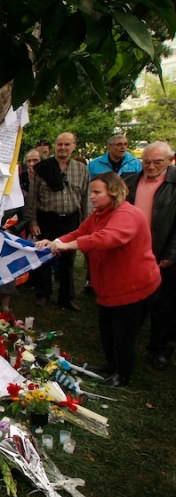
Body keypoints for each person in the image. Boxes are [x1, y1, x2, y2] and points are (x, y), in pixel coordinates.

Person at [36, 172, 160, 387]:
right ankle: (112, 366)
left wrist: (68, 246)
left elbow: (107, 238)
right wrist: (55, 241)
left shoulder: (127, 214)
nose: (91, 197)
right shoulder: (99, 214)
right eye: (91, 192)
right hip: (110, 287)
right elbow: (79, 232)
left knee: (124, 334)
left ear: (113, 192)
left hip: (133, 286)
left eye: (96, 192)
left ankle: (122, 374)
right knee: (107, 330)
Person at [122, 141, 176, 370]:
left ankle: (160, 348)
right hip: (133, 251)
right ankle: (126, 344)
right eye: (146, 162)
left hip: (163, 251)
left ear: (170, 161)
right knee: (133, 301)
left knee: (164, 304)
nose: (151, 166)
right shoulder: (131, 181)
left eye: (157, 162)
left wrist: (172, 253)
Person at [28, 132, 89, 311]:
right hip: (46, 219)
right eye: (60, 144)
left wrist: (86, 222)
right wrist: (33, 221)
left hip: (70, 219)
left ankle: (66, 297)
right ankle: (43, 294)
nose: (63, 148)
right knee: (44, 256)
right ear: (55, 146)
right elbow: (32, 197)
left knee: (67, 261)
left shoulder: (81, 169)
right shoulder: (43, 168)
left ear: (74, 146)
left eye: (67, 144)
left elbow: (85, 197)